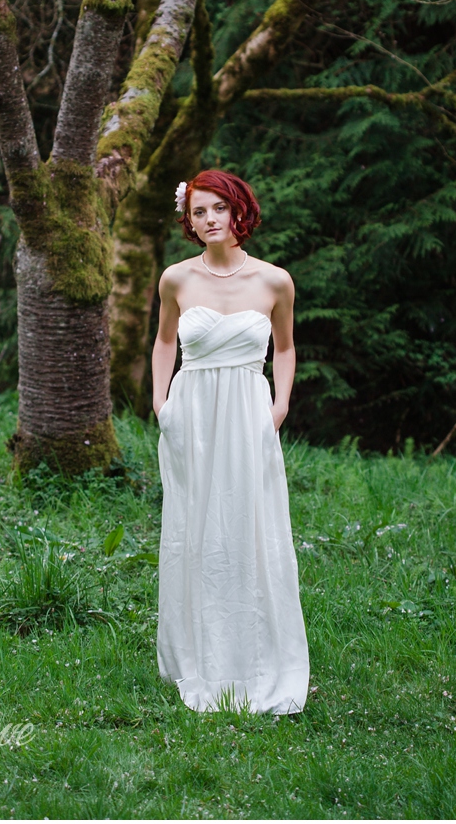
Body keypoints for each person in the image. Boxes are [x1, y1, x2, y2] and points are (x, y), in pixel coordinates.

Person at [152, 169, 309, 715]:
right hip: (192, 414)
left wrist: (280, 405)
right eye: (199, 211)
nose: (210, 219)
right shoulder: (176, 279)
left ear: (238, 210)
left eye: (219, 207)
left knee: (249, 527)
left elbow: (284, 349)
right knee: (196, 530)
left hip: (248, 412)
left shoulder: (274, 281)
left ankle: (258, 658)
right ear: (189, 219)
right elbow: (165, 341)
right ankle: (197, 652)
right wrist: (161, 403)